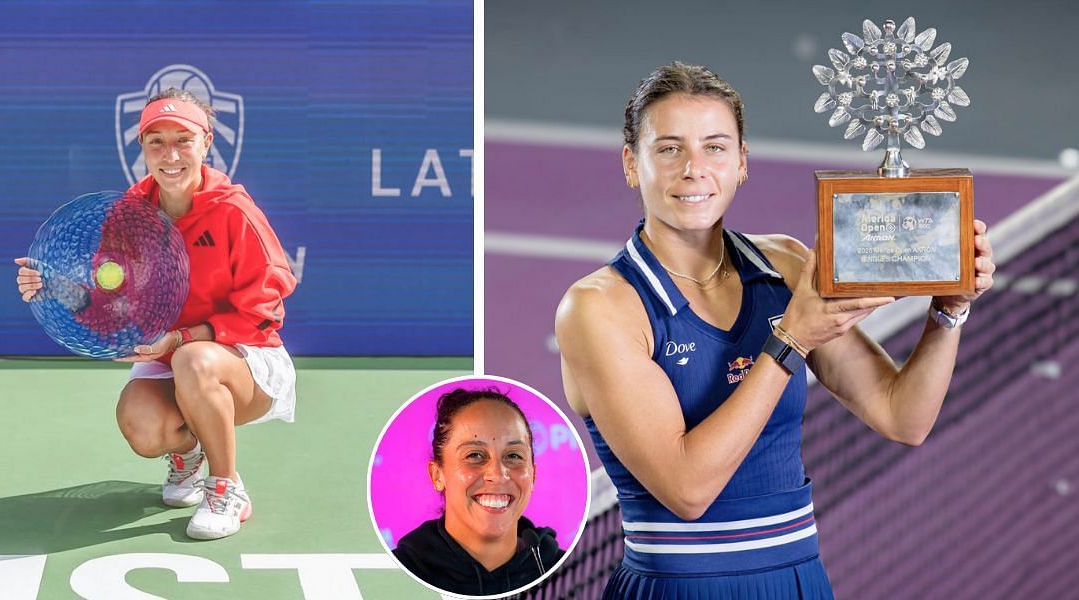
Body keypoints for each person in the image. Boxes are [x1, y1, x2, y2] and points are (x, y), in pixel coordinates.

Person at [554, 62, 995, 598]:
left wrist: (948, 312)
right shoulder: (598, 308)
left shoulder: (784, 265)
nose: (695, 169)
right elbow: (688, 490)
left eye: (716, 147)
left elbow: (902, 416)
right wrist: (789, 340)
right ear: (631, 164)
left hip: (797, 583)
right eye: (669, 149)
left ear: (742, 163)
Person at [14, 88, 298, 540]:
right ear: (143, 149)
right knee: (143, 429)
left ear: (205, 143)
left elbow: (265, 313)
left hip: (244, 360)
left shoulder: (234, 212)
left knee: (194, 360)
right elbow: (111, 303)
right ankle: (187, 452)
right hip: (170, 357)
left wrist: (186, 338)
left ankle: (226, 488)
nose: (171, 154)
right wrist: (58, 292)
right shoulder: (130, 216)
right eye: (156, 141)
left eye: (183, 139)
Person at [392, 387, 564, 596]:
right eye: (474, 455)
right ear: (437, 475)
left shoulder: (564, 570)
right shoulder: (400, 571)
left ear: (533, 475)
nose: (498, 475)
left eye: (513, 456)